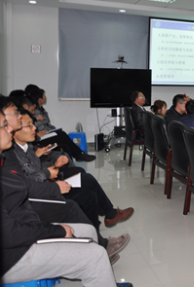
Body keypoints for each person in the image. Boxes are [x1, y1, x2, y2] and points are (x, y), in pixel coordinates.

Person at [0, 109, 129, 287]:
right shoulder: (9, 157)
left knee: (88, 229)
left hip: (26, 230)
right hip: (13, 255)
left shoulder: (7, 159)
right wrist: (56, 231)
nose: (10, 129)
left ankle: (104, 270)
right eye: (4, 125)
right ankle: (101, 252)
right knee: (93, 250)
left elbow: (24, 186)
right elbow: (10, 233)